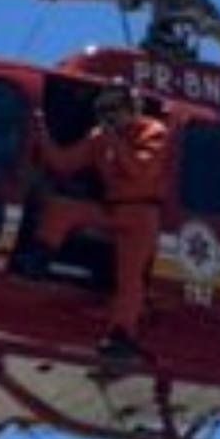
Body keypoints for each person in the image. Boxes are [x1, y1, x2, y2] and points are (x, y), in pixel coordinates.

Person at [28, 78, 180, 361]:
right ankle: (36, 260)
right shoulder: (99, 137)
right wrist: (39, 130)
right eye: (103, 109)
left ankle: (121, 336)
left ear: (131, 107)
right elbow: (63, 162)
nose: (108, 116)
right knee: (61, 208)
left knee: (130, 278)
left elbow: (141, 171)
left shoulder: (153, 131)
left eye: (113, 109)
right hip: (112, 209)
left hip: (141, 215)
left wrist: (115, 141)